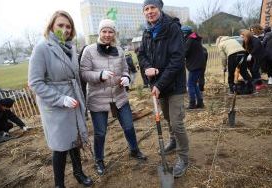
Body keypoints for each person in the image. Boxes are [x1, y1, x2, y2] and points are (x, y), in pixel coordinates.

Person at [28, 10, 93, 187]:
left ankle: (79, 173)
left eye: (68, 26)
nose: (64, 29)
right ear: (51, 26)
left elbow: (75, 76)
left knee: (74, 140)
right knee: (60, 146)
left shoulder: (70, 47)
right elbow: (35, 82)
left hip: (73, 100)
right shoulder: (42, 47)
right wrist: (60, 99)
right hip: (55, 105)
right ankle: (59, 184)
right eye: (60, 25)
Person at [80, 18, 147, 176]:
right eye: (104, 31)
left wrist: (126, 78)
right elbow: (83, 73)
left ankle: (134, 150)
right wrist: (99, 75)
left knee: (129, 126)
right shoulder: (89, 51)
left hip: (119, 96)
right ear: (99, 33)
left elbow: (126, 70)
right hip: (98, 98)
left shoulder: (119, 51)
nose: (107, 34)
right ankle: (99, 160)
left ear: (114, 34)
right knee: (100, 132)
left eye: (110, 31)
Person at [138, 0, 189, 178]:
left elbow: (177, 59)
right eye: (146, 9)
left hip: (173, 84)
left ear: (159, 9)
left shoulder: (172, 28)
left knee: (176, 121)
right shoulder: (146, 32)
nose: (150, 11)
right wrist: (147, 68)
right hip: (158, 84)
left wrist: (159, 83)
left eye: (153, 8)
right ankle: (173, 141)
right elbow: (141, 54)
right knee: (167, 117)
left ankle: (183, 158)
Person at [181, 25, 206, 109]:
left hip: (195, 65)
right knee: (194, 84)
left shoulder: (190, 40)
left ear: (184, 33)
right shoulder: (194, 39)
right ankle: (200, 102)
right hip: (198, 64)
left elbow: (184, 53)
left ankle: (192, 103)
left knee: (190, 84)